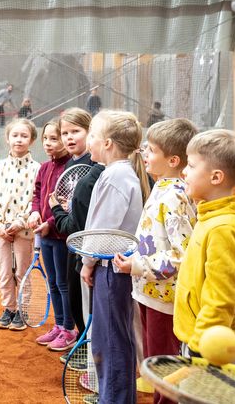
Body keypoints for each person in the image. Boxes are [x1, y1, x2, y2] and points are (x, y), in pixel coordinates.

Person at [113, 118, 198, 404]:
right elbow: (153, 240)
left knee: (165, 368)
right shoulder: (162, 187)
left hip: (165, 298)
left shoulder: (175, 195)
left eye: (151, 150)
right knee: (154, 363)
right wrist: (135, 259)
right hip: (150, 292)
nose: (144, 154)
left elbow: (181, 254)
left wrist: (136, 266)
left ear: (173, 159)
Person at [80, 110, 151, 404]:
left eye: (93, 135)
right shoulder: (119, 174)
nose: (89, 141)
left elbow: (101, 232)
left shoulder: (114, 177)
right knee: (113, 339)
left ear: (107, 143)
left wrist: (87, 264)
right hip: (114, 270)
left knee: (111, 342)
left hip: (111, 271)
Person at [173, 129, 235, 359]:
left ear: (216, 177)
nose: (184, 172)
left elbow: (220, 298)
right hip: (198, 337)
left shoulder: (222, 229)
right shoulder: (209, 217)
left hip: (209, 346)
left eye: (190, 165)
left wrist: (201, 346)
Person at [48, 108, 100, 345]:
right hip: (71, 239)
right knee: (74, 296)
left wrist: (61, 208)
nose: (69, 137)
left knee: (87, 297)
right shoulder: (70, 164)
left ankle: (87, 343)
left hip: (88, 241)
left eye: (75, 131)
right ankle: (81, 339)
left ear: (90, 133)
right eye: (65, 132)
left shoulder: (95, 164)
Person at [0, 118, 40, 331]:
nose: (19, 140)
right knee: (4, 271)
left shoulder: (37, 169)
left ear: (32, 140)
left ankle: (22, 310)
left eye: (24, 136)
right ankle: (9, 308)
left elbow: (37, 200)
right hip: (1, 231)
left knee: (22, 271)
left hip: (24, 230)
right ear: (8, 139)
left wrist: (19, 223)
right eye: (15, 135)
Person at [27, 119, 77, 351]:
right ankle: (58, 325)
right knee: (54, 284)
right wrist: (35, 212)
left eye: (54, 139)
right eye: (45, 138)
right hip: (45, 236)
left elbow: (67, 205)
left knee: (64, 284)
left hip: (61, 236)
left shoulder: (70, 169)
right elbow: (37, 193)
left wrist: (49, 222)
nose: (48, 143)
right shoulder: (45, 167)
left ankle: (69, 329)